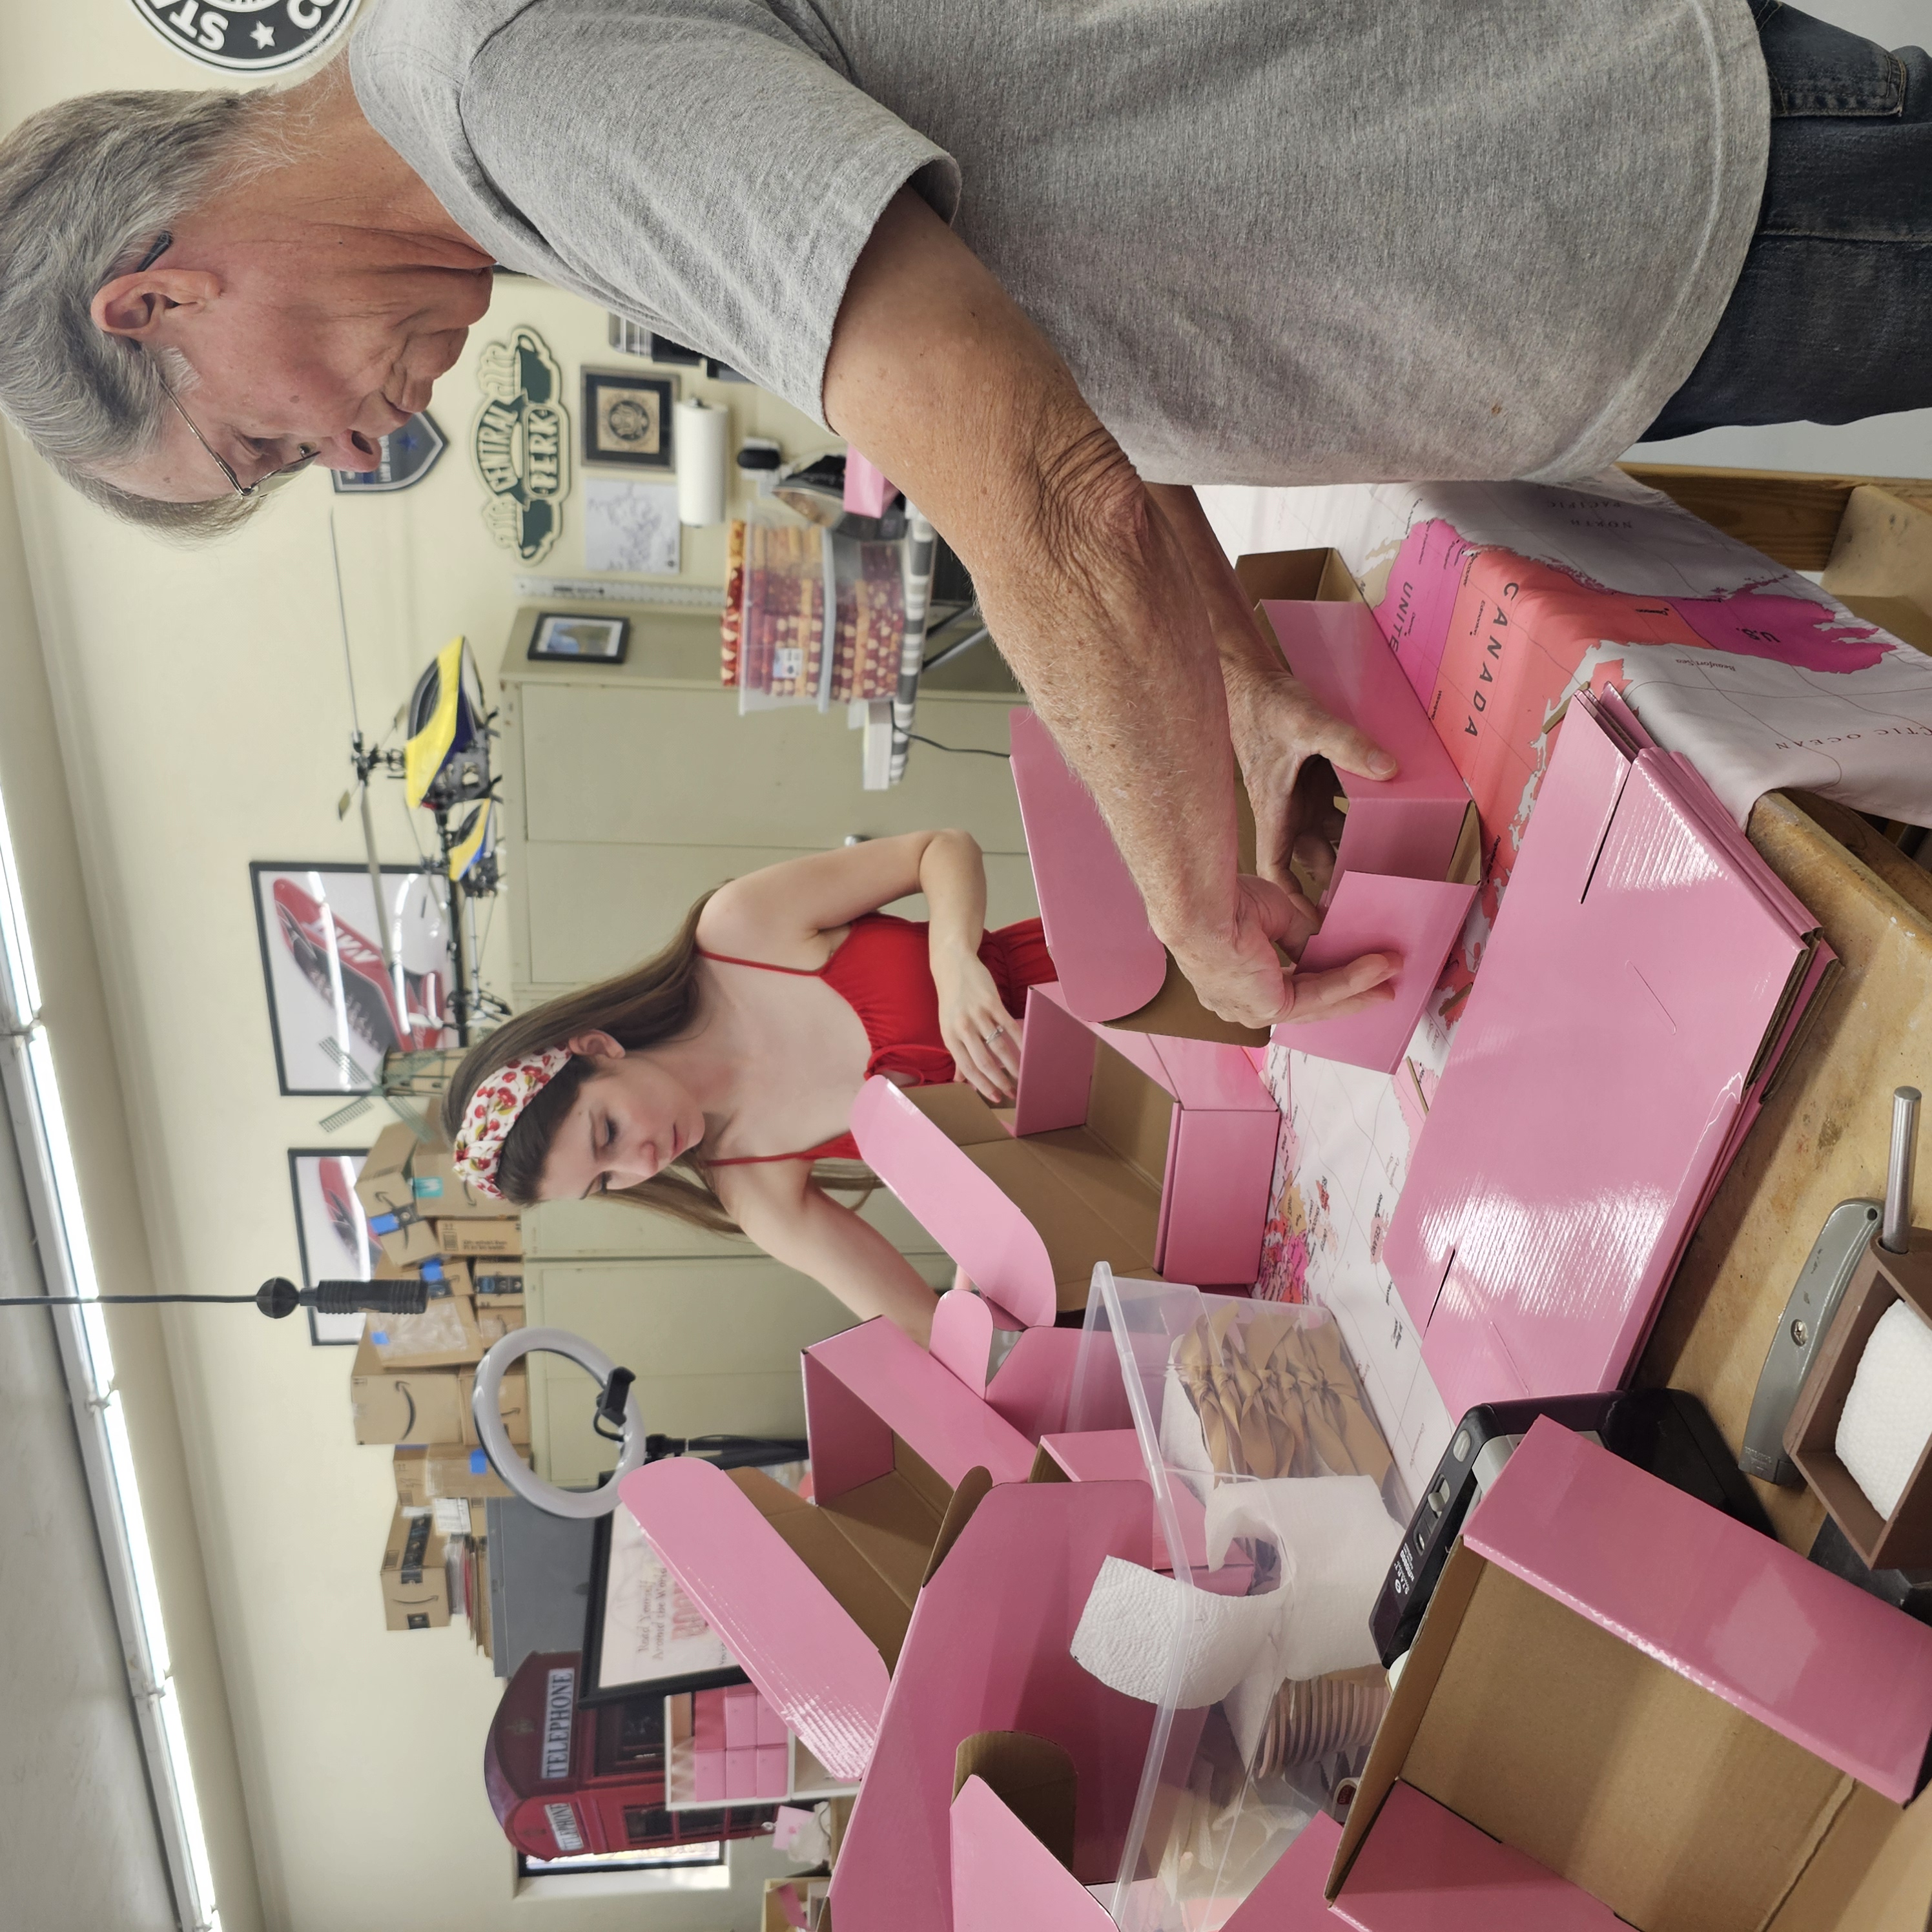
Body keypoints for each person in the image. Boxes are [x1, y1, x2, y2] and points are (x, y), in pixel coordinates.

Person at [1, 3, 1925, 1033]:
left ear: (154, 300)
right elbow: (1045, 348)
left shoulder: (500, 86)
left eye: (259, 450)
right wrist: (1237, 683)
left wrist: (1190, 899)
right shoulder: (497, 154)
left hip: (1564, 185)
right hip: (1537, 245)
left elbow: (1028, 473)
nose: (344, 465)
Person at [444, 828, 1296, 1342]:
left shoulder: (736, 930)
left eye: (604, 1134)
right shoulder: (757, 1193)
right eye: (606, 1183)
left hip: (1135, 982)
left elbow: (939, 850)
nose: (639, 1164)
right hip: (1139, 1150)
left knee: (1338, 991)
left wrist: (954, 959)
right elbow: (927, 1329)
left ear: (595, 1047)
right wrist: (979, 1275)